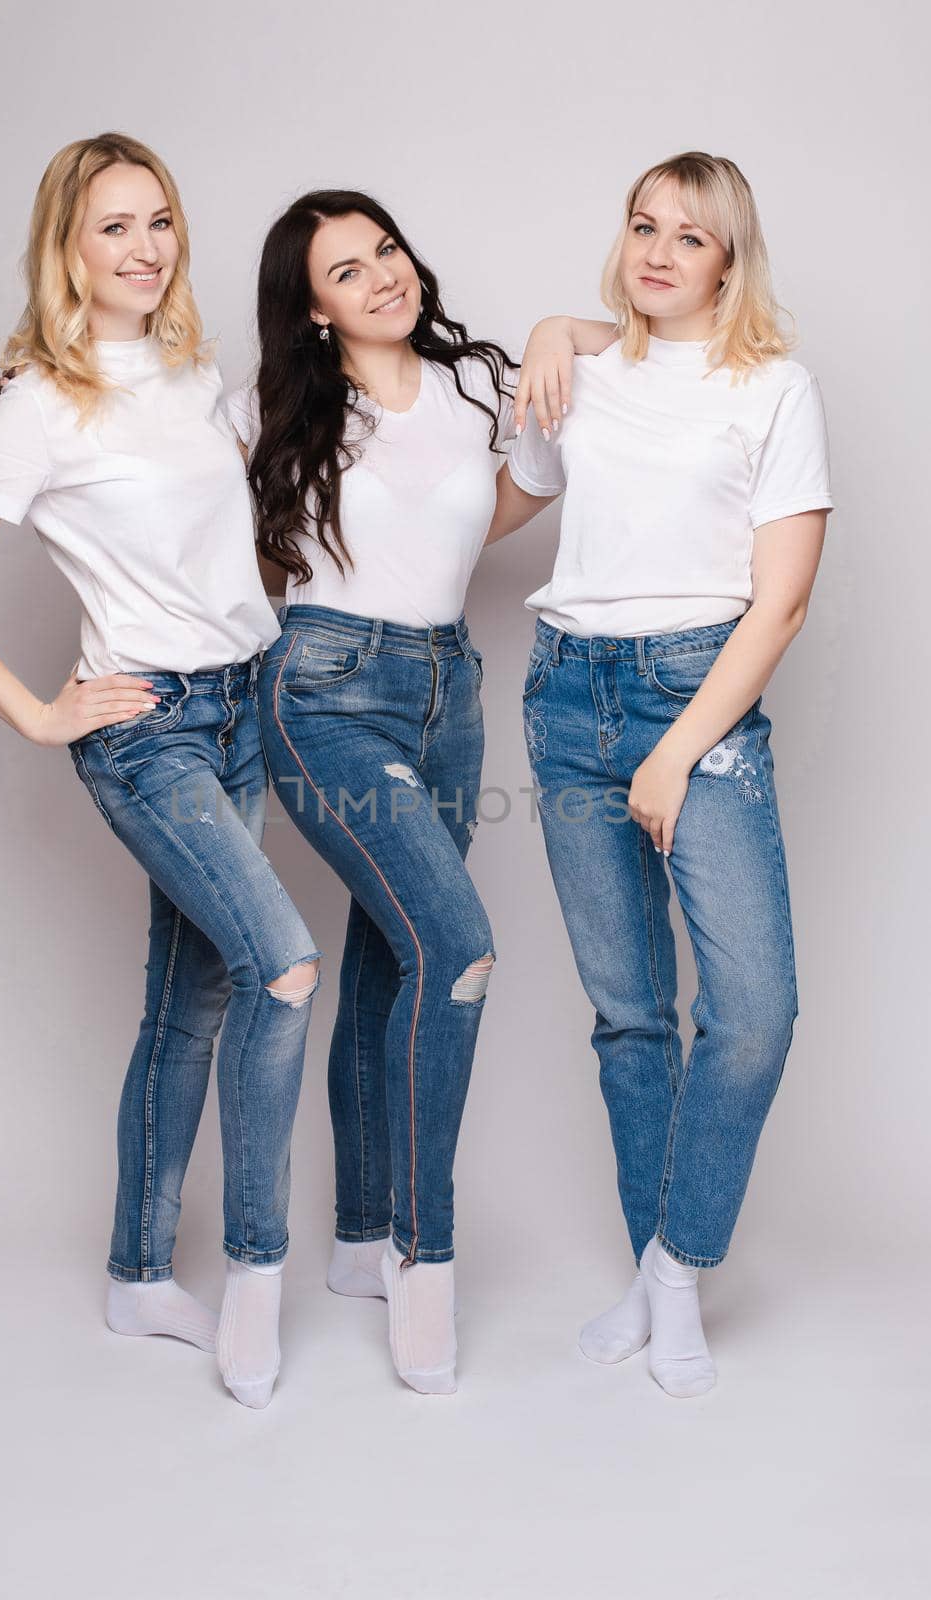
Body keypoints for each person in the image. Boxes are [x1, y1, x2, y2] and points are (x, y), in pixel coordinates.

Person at [0, 132, 320, 1411]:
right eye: (112, 228)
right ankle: (253, 1270)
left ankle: (137, 1272)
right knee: (282, 967)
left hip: (242, 704)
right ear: (66, 250)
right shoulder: (41, 402)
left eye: (159, 222)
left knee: (186, 1003)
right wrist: (37, 711)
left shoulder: (192, 377)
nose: (142, 249)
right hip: (149, 732)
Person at [490, 150, 833, 1397]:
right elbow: (486, 515)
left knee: (749, 1012)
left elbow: (781, 601)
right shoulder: (574, 373)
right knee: (628, 1012)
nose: (656, 252)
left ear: (727, 260)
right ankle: (651, 1264)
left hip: (698, 698)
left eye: (688, 237)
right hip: (564, 689)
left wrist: (677, 750)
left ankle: (681, 1261)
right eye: (642, 226)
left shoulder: (772, 388)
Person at [225, 190, 517, 1394]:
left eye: (385, 250)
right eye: (347, 270)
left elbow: (511, 492)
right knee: (454, 947)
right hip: (326, 686)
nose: (382, 277)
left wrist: (558, 330)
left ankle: (354, 1237)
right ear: (311, 306)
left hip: (449, 683)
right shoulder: (274, 410)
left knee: (393, 956)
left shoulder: (475, 388)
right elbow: (154, 467)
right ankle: (421, 1252)